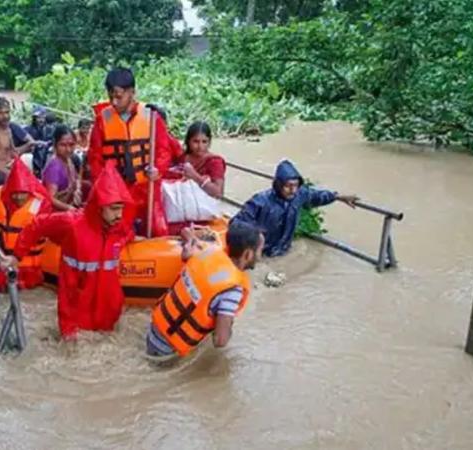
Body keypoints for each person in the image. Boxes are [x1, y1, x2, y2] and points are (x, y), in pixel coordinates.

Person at [6, 167, 136, 340]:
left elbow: (127, 233)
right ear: (99, 206)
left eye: (121, 208)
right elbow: (37, 225)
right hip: (75, 311)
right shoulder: (72, 223)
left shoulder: (118, 228)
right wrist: (16, 256)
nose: (119, 214)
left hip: (107, 309)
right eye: (113, 208)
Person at [145, 221, 263, 360]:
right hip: (168, 350)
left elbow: (186, 253)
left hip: (154, 330)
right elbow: (220, 341)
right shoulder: (232, 291)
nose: (260, 255)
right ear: (248, 254)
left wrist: (190, 241)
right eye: (260, 250)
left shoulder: (208, 252)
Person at [87, 68, 178, 237]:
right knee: (118, 232)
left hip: (147, 186)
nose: (114, 102)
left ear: (132, 92)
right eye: (111, 96)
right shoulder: (102, 120)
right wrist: (104, 188)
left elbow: (163, 150)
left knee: (158, 230)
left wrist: (158, 170)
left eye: (119, 96)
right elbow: (95, 158)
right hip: (118, 191)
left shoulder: (151, 117)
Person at [231, 159, 359, 257]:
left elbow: (317, 196)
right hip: (262, 252)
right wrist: (257, 236)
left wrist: (338, 197)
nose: (293, 190)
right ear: (278, 185)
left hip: (283, 249)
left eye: (296, 185)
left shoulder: (299, 195)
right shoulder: (260, 201)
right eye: (288, 186)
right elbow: (237, 223)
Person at [0, 161, 52, 290]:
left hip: (29, 268)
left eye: (23, 193)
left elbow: (33, 233)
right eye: (14, 193)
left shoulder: (41, 204)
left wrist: (16, 256)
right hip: (3, 261)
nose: (18, 197)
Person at [0, 97, 35, 186]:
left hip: (10, 170)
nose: (5, 116)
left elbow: (13, 152)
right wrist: (5, 172)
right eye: (1, 113)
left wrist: (29, 145)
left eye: (7, 112)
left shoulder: (8, 130)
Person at [42, 125, 88, 211]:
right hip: (54, 215)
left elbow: (77, 178)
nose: (68, 149)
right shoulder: (55, 166)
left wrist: (77, 190)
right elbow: (50, 199)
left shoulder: (68, 160)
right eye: (63, 145)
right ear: (55, 145)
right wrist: (71, 209)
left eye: (71, 145)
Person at [180, 121, 225, 198]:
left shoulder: (215, 162)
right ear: (188, 141)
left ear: (209, 142)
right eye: (196, 141)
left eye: (204, 142)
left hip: (202, 207)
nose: (200, 146)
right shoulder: (181, 157)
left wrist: (195, 176)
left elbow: (218, 192)